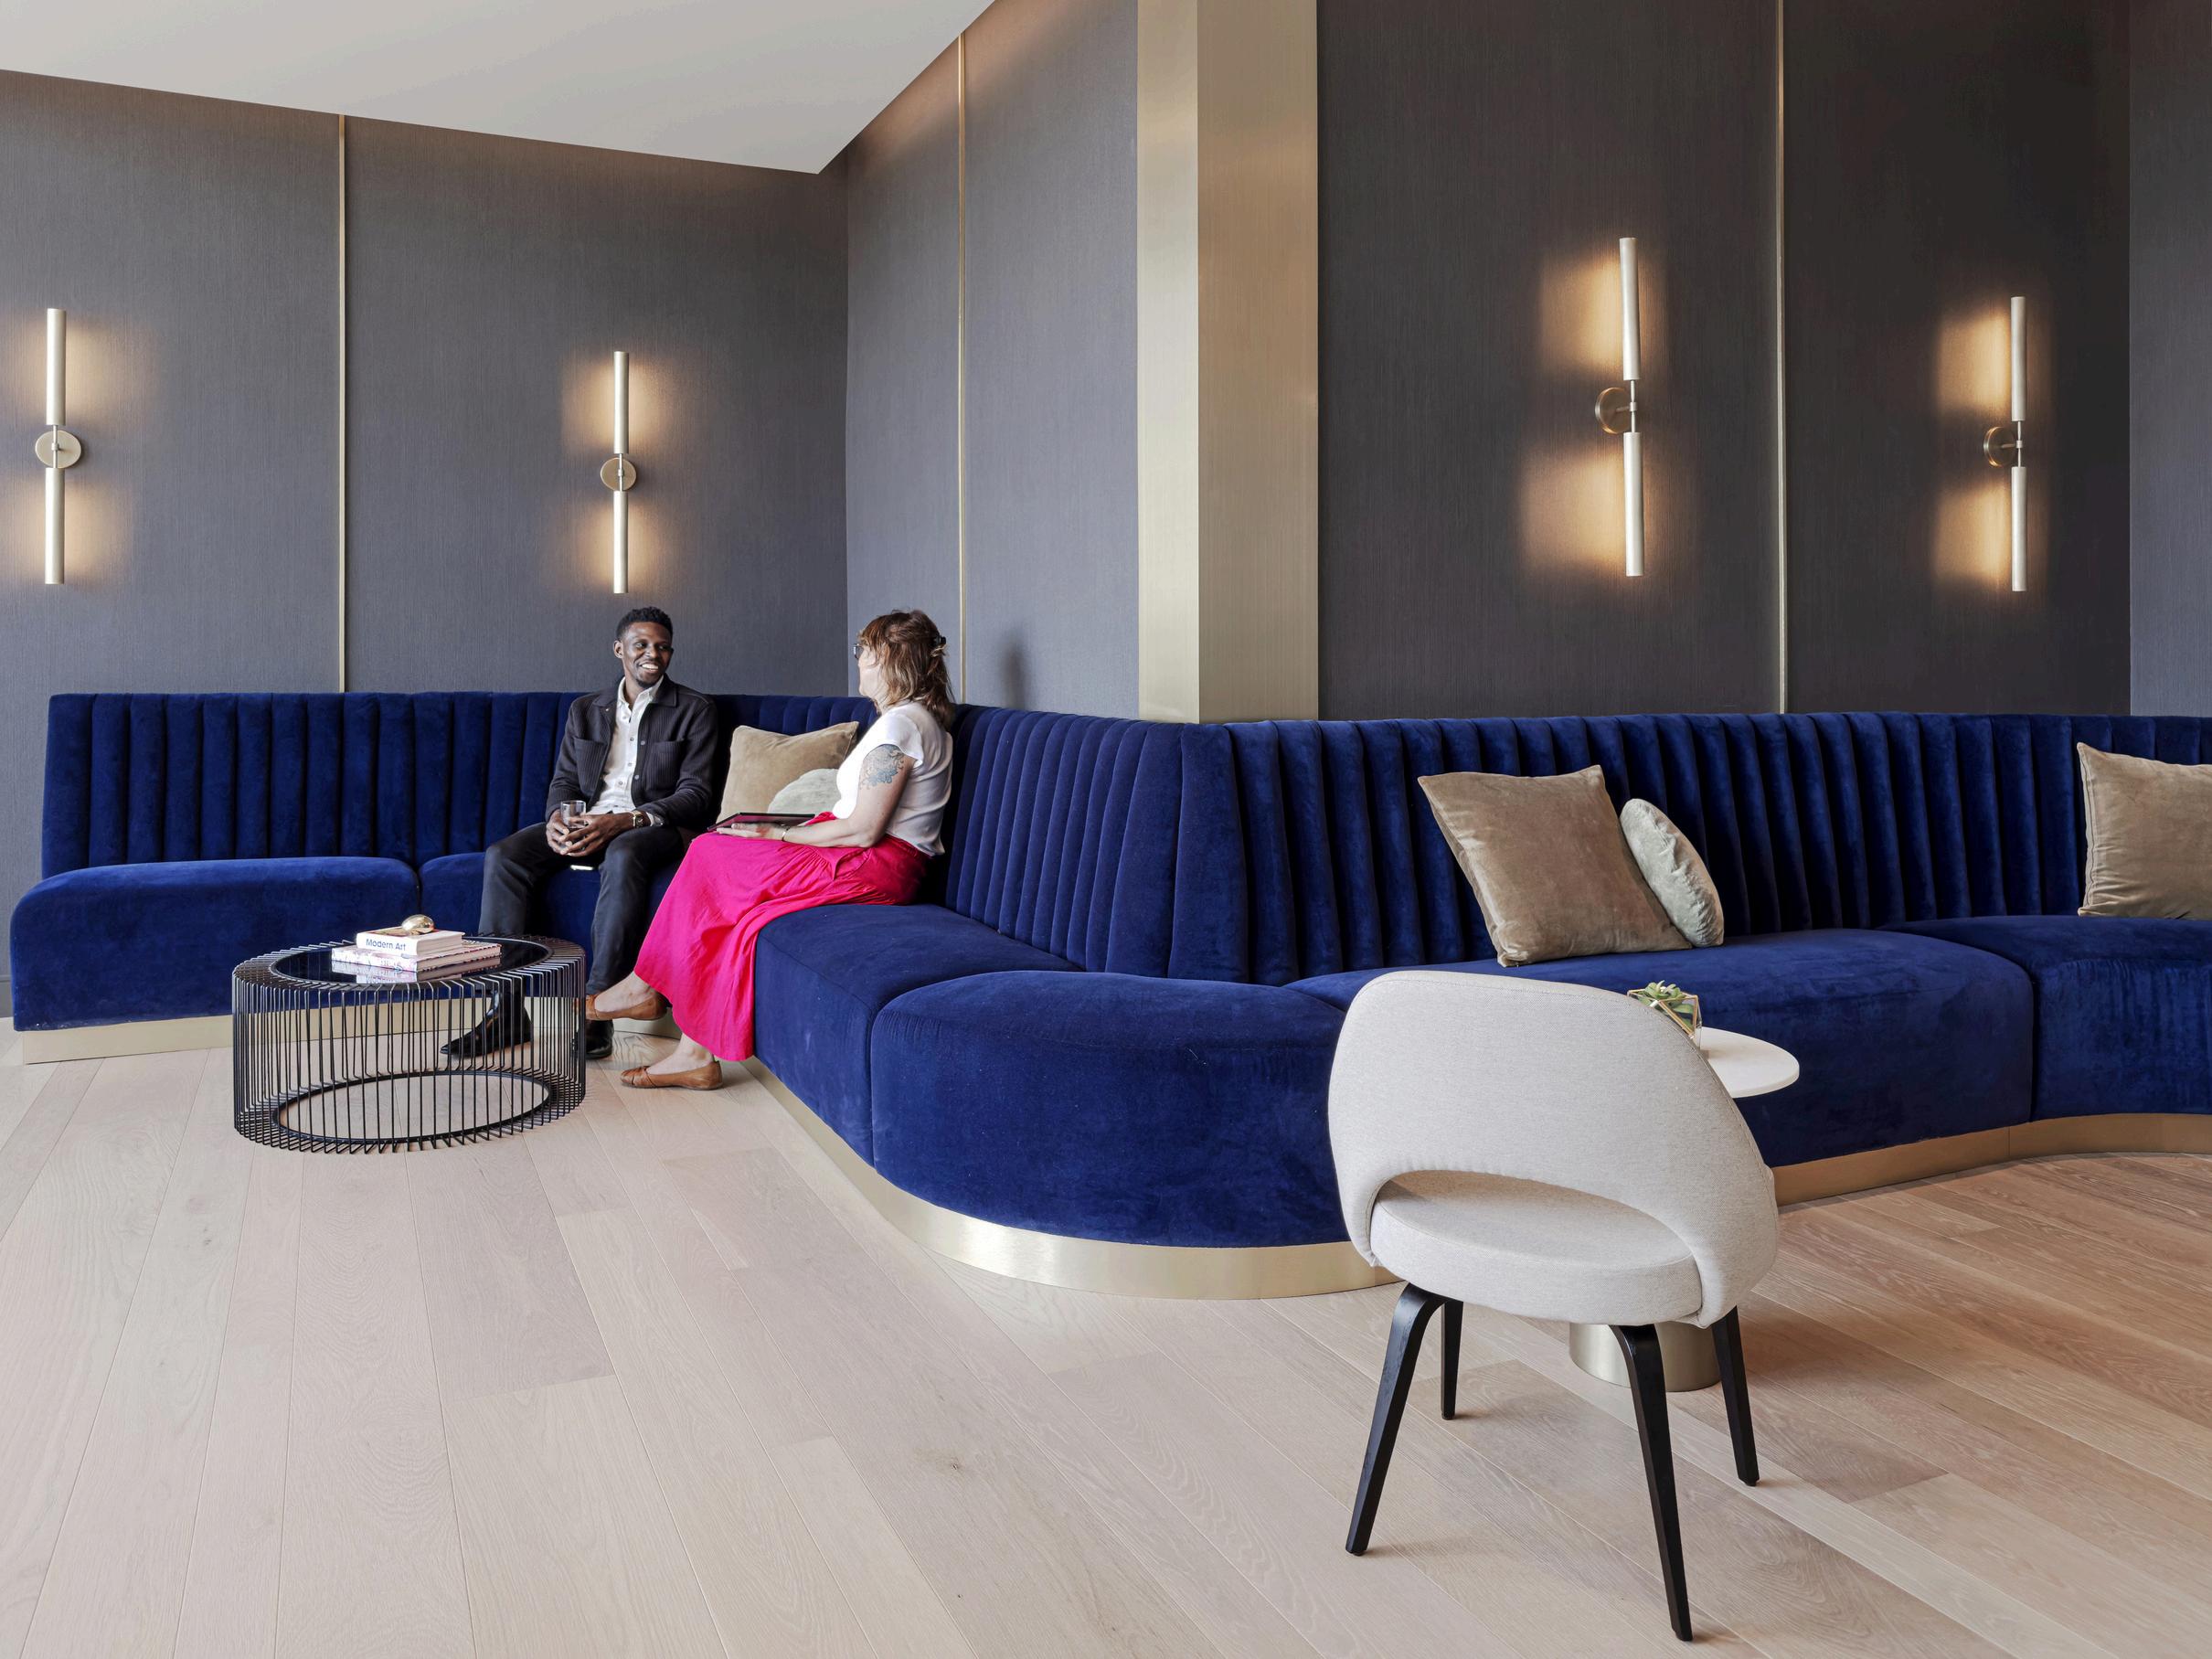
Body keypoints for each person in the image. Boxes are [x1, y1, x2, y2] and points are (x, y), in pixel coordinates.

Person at [587, 609, 955, 1090]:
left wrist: (776, 835)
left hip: (872, 865)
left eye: (862, 650)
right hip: (872, 859)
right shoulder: (912, 721)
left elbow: (864, 830)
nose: (858, 660)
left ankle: (646, 989)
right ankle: (691, 1050)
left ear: (887, 659)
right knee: (723, 880)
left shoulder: (901, 726)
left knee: (708, 853)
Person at [444, 605, 720, 1060]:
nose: (653, 654)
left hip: (653, 827)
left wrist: (626, 820)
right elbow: (565, 783)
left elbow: (696, 795)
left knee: (625, 852)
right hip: (590, 822)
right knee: (505, 855)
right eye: (641, 645)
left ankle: (598, 1010)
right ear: (619, 650)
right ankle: (505, 1011)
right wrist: (558, 819)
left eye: (663, 647)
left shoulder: (695, 710)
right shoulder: (586, 710)